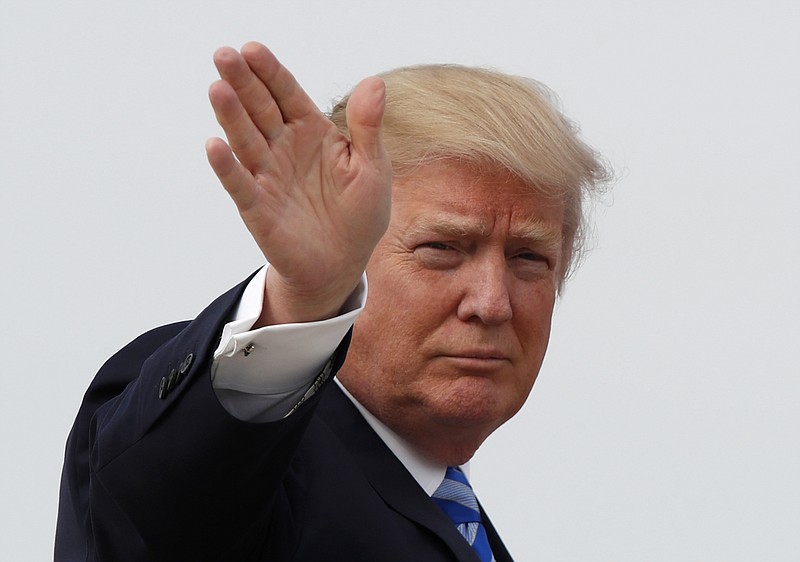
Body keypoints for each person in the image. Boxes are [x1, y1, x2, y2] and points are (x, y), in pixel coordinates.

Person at [55, 42, 608, 561]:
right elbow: (159, 514)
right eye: (441, 248)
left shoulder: (456, 516)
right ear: (349, 250)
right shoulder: (249, 452)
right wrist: (302, 302)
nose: (492, 303)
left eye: (528, 258)